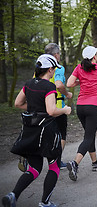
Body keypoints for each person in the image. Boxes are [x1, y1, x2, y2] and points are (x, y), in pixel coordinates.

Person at [2, 54, 71, 207]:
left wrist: (35, 108)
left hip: (30, 131)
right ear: (50, 70)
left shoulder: (28, 83)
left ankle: (13, 194)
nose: (53, 72)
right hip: (46, 132)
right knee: (54, 165)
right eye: (53, 69)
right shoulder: (49, 86)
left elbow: (18, 103)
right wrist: (65, 110)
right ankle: (45, 202)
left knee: (34, 168)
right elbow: (52, 111)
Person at [18, 43, 73, 172]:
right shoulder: (57, 68)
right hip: (56, 105)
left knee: (39, 133)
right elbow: (59, 85)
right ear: (55, 55)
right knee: (61, 135)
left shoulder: (39, 67)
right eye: (59, 53)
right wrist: (67, 94)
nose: (59, 56)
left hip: (39, 106)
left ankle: (27, 155)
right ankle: (56, 162)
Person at [66, 46, 97, 181]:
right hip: (93, 106)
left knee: (89, 134)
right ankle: (75, 163)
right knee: (88, 136)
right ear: (94, 57)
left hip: (80, 106)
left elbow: (69, 83)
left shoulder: (79, 68)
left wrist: (81, 81)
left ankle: (95, 162)